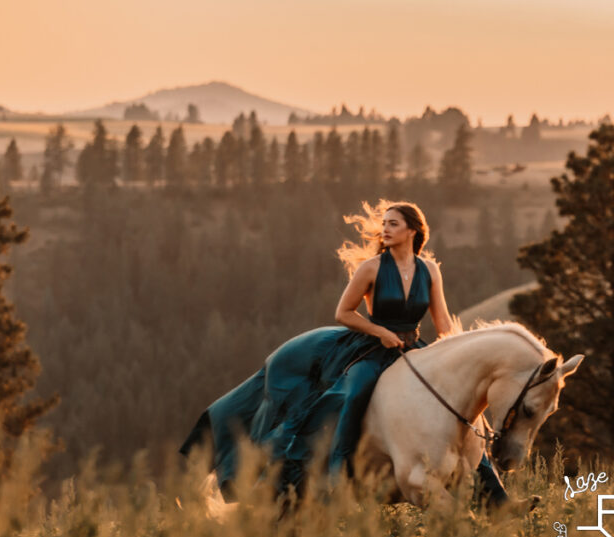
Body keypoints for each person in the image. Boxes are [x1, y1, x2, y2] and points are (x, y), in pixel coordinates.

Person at [179, 199, 511, 505]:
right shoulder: (371, 268)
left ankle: (495, 495)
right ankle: (338, 474)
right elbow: (344, 313)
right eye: (384, 223)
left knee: (464, 411)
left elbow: (441, 322)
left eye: (393, 224)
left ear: (413, 230)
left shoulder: (430, 271)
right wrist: (380, 332)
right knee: (353, 393)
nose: (385, 229)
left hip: (413, 349)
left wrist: (454, 358)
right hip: (371, 349)